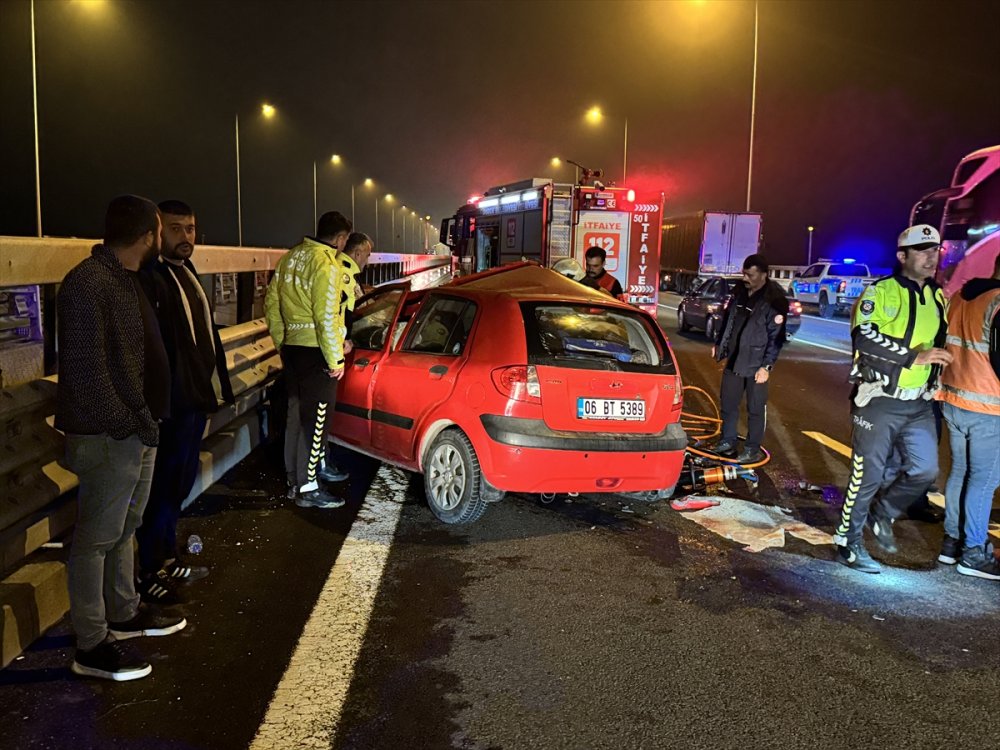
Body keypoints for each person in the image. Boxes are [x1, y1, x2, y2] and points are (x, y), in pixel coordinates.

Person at [56, 195, 186, 681]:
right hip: (110, 434)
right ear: (148, 235)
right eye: (159, 231)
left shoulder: (123, 279)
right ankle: (90, 643)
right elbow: (89, 375)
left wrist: (145, 421)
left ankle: (123, 614)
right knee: (94, 539)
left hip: (136, 428)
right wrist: (131, 422)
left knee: (125, 527)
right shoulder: (89, 284)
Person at [833, 224, 952, 573]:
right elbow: (865, 336)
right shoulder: (881, 291)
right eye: (923, 250)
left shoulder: (937, 295)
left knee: (925, 470)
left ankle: (882, 514)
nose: (932, 257)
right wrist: (913, 356)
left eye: (936, 250)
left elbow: (941, 340)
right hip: (879, 399)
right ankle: (847, 541)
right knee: (866, 474)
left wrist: (937, 372)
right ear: (902, 256)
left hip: (919, 403)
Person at [135, 200, 235, 605]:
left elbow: (204, 336)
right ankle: (149, 569)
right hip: (170, 405)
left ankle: (169, 552)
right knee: (160, 487)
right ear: (158, 233)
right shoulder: (151, 278)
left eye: (191, 229)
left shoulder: (187, 272)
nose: (186, 237)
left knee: (180, 481)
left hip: (194, 398)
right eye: (176, 229)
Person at [265, 211, 352, 508]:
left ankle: (295, 480)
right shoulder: (325, 264)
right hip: (316, 352)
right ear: (341, 239)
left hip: (292, 349)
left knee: (294, 416)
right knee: (316, 422)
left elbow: (272, 306)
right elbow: (325, 316)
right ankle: (309, 488)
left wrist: (282, 343)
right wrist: (335, 359)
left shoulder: (289, 258)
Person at [935, 250, 1000, 579]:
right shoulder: (998, 302)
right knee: (984, 480)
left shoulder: (962, 297)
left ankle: (952, 542)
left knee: (960, 472)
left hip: (955, 398)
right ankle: (974, 552)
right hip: (988, 406)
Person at [710, 254, 789, 464]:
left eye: (751, 275)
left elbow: (776, 338)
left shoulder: (775, 300)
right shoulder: (740, 292)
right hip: (735, 359)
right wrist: (720, 343)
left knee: (755, 409)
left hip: (756, 364)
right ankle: (728, 441)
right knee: (728, 403)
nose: (746, 278)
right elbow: (729, 319)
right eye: (744, 273)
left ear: (764, 275)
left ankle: (752, 448)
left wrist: (766, 366)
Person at [320, 231, 374, 483]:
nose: (369, 260)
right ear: (358, 252)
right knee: (321, 416)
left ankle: (316, 464)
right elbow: (340, 315)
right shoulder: (344, 275)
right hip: (334, 352)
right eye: (368, 254)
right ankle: (319, 465)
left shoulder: (340, 271)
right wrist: (340, 347)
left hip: (316, 348)